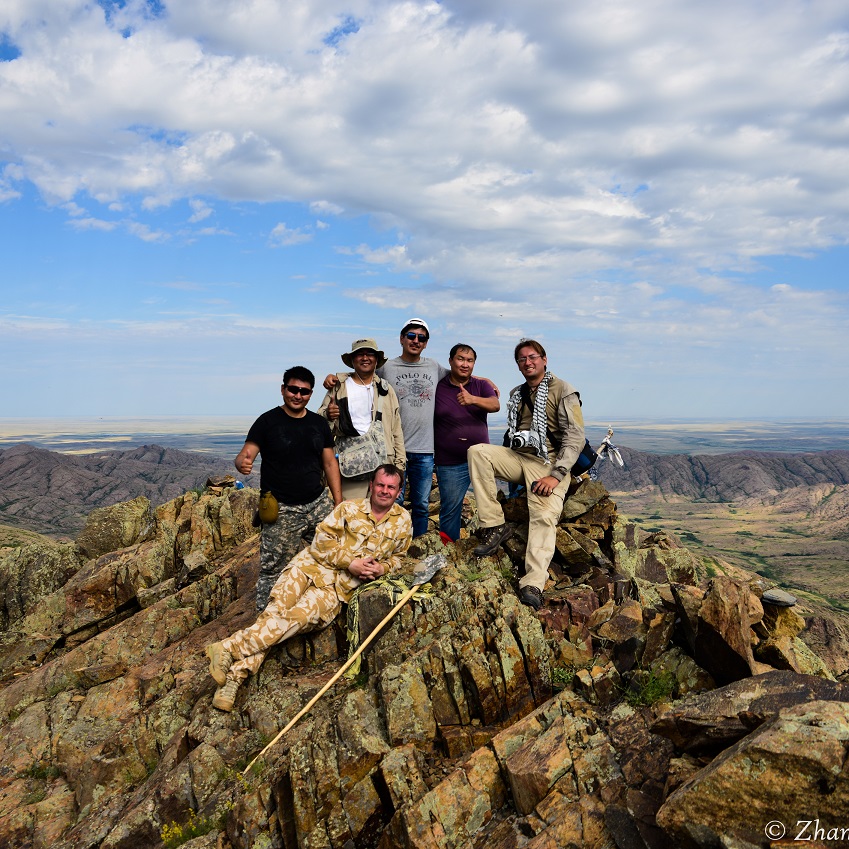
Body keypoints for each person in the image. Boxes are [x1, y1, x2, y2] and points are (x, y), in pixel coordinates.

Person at [205, 464, 412, 712]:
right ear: (371, 485)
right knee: (273, 614)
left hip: (335, 589)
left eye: (391, 487)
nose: (384, 491)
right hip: (306, 568)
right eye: (380, 485)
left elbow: (399, 558)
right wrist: (351, 562)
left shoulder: (403, 522)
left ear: (399, 491)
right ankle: (234, 677)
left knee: (293, 620)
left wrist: (382, 569)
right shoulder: (349, 508)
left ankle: (229, 653)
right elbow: (320, 542)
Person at [467, 340, 585, 610]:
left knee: (543, 515)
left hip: (550, 462)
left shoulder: (563, 390)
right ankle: (495, 524)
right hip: (522, 457)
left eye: (532, 357)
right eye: (521, 359)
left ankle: (533, 582)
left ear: (544, 359)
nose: (527, 362)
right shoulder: (517, 393)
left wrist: (556, 476)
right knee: (478, 452)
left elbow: (575, 438)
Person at [235, 366, 343, 612]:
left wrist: (338, 503)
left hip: (317, 503)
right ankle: (267, 619)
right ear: (283, 389)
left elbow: (329, 463)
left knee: (333, 555)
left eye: (304, 392)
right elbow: (246, 453)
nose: (298, 395)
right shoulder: (267, 422)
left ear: (311, 394)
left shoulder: (318, 424)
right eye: (293, 389)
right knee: (273, 568)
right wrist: (242, 462)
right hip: (281, 508)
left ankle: (327, 605)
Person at [317, 338, 406, 500]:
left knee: (381, 518)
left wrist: (399, 465)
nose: (365, 358)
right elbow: (319, 423)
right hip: (351, 466)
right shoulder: (339, 387)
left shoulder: (386, 390)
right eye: (360, 354)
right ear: (352, 360)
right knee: (352, 515)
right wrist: (328, 415)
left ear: (376, 359)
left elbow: (396, 429)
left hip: (383, 463)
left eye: (370, 354)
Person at [434, 343, 500, 541]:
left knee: (488, 505)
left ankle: (490, 546)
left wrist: (473, 399)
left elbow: (495, 404)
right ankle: (448, 550)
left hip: (481, 460)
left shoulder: (481, 386)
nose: (465, 364)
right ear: (450, 361)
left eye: (470, 360)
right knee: (450, 509)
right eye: (460, 359)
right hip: (450, 462)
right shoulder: (438, 386)